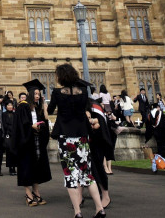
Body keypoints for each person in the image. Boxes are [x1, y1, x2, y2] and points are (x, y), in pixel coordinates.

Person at [47, 65, 103, 217]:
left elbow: (50, 111)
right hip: (82, 136)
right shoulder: (83, 92)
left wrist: (52, 107)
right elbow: (85, 109)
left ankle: (77, 211)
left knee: (70, 174)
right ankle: (99, 208)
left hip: (66, 138)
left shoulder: (57, 93)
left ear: (61, 77)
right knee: (87, 174)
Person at [15, 79, 52, 207]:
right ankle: (28, 194)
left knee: (36, 166)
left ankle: (36, 192)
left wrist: (45, 108)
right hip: (26, 142)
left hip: (36, 140)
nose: (37, 96)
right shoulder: (22, 107)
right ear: (30, 94)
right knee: (26, 167)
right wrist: (31, 127)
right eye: (35, 94)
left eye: (38, 94)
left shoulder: (37, 108)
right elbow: (20, 126)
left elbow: (45, 122)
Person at [2, 99, 18, 176]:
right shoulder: (4, 114)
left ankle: (14, 168)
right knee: (9, 152)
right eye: (8, 105)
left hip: (15, 135)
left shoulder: (15, 114)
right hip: (8, 135)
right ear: (6, 106)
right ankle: (10, 168)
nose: (10, 106)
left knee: (15, 152)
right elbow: (4, 125)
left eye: (11, 105)